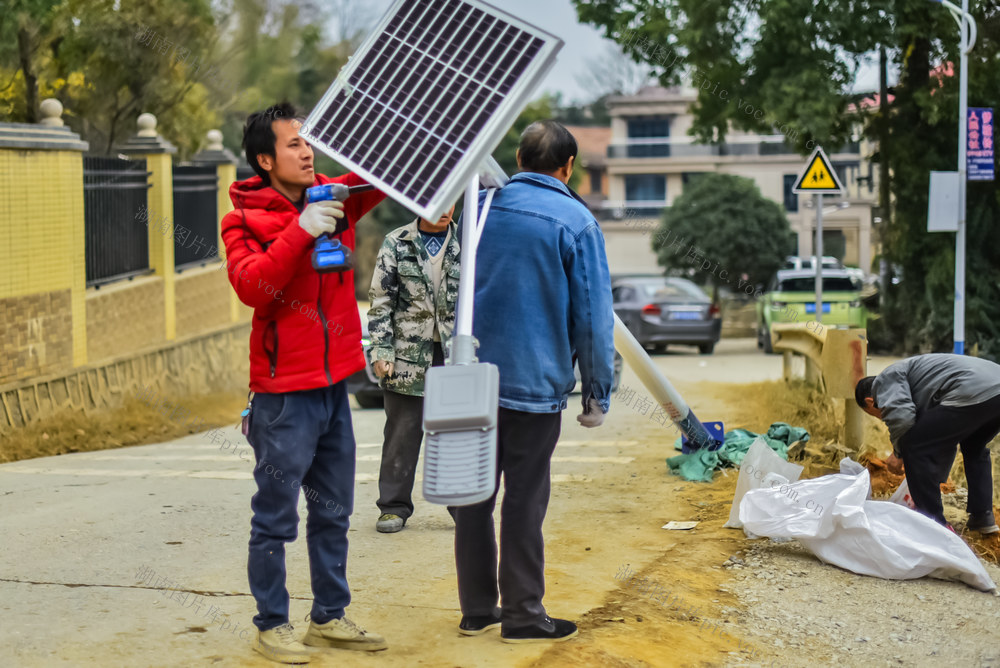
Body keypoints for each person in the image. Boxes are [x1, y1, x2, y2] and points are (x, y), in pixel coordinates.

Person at [221, 102, 388, 664]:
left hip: (334, 387)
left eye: (307, 141)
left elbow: (384, 179)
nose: (306, 150)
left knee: (334, 509)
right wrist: (298, 232)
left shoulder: (334, 198)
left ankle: (329, 617)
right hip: (281, 397)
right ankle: (271, 624)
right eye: (292, 144)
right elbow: (254, 290)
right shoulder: (243, 220)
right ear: (266, 159)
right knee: (275, 516)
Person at [451, 120, 615, 643]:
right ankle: (522, 614)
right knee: (524, 498)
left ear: (518, 158)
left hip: (469, 379)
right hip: (533, 386)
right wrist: (596, 390)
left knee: (473, 492)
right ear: (568, 168)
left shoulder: (478, 211)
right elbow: (593, 318)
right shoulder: (577, 222)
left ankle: (477, 608)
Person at [367, 203, 460, 533]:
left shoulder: (470, 243)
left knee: (456, 432)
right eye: (439, 200)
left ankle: (461, 506)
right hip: (406, 355)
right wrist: (381, 350)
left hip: (456, 354)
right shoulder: (397, 242)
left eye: (453, 200)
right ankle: (393, 506)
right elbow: (380, 304)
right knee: (402, 431)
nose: (447, 208)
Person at [855, 353, 1000, 533]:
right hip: (994, 390)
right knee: (974, 447)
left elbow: (902, 418)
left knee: (913, 446)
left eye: (876, 414)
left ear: (871, 402)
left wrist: (898, 453)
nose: (882, 418)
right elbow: (944, 440)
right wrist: (930, 480)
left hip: (972, 390)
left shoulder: (884, 381)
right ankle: (982, 516)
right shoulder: (919, 387)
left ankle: (933, 525)